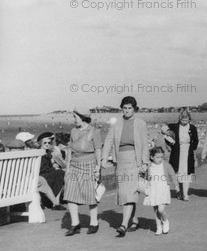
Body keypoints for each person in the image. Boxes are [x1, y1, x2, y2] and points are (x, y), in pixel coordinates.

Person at [101, 96, 149, 238]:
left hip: (134, 160)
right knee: (125, 192)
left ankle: (123, 224)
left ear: (134, 109)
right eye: (125, 108)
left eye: (130, 108)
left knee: (130, 192)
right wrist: (104, 157)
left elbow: (145, 144)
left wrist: (145, 162)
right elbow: (109, 140)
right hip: (120, 160)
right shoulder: (116, 123)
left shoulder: (140, 123)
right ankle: (134, 220)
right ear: (121, 108)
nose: (127, 110)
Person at [64, 108, 102, 236]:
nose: (74, 120)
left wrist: (98, 168)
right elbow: (70, 150)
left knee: (90, 195)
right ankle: (75, 224)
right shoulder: (73, 131)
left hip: (89, 165)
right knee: (70, 193)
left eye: (75, 117)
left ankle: (94, 223)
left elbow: (98, 150)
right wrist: (67, 168)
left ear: (82, 117)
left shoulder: (94, 131)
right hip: (74, 165)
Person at [168, 109, 199, 202]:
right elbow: (164, 130)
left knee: (187, 173)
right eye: (183, 120)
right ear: (179, 119)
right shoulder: (174, 126)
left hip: (188, 152)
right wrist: (170, 143)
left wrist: (192, 149)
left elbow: (196, 140)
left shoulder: (192, 127)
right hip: (177, 152)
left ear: (189, 119)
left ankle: (185, 194)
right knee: (177, 173)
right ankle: (179, 192)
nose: (185, 122)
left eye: (186, 120)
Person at [143, 147, 171, 236]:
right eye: (157, 157)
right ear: (152, 157)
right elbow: (146, 177)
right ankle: (158, 226)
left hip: (163, 189)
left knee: (160, 209)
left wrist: (177, 185)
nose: (160, 159)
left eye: (161, 157)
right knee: (155, 210)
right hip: (153, 189)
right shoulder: (149, 166)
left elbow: (172, 174)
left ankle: (165, 221)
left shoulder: (165, 165)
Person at [37, 133, 66, 208]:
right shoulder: (39, 152)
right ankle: (55, 202)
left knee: (60, 172)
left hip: (46, 173)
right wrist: (53, 168)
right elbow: (42, 168)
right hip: (41, 174)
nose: (47, 144)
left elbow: (48, 165)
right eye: (45, 143)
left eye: (49, 143)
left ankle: (55, 201)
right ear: (40, 143)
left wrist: (54, 166)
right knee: (59, 173)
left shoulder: (47, 152)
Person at [154, 124, 180, 194]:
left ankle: (161, 189)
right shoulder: (166, 136)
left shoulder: (159, 136)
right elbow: (171, 145)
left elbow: (156, 146)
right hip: (165, 156)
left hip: (159, 156)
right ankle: (173, 187)